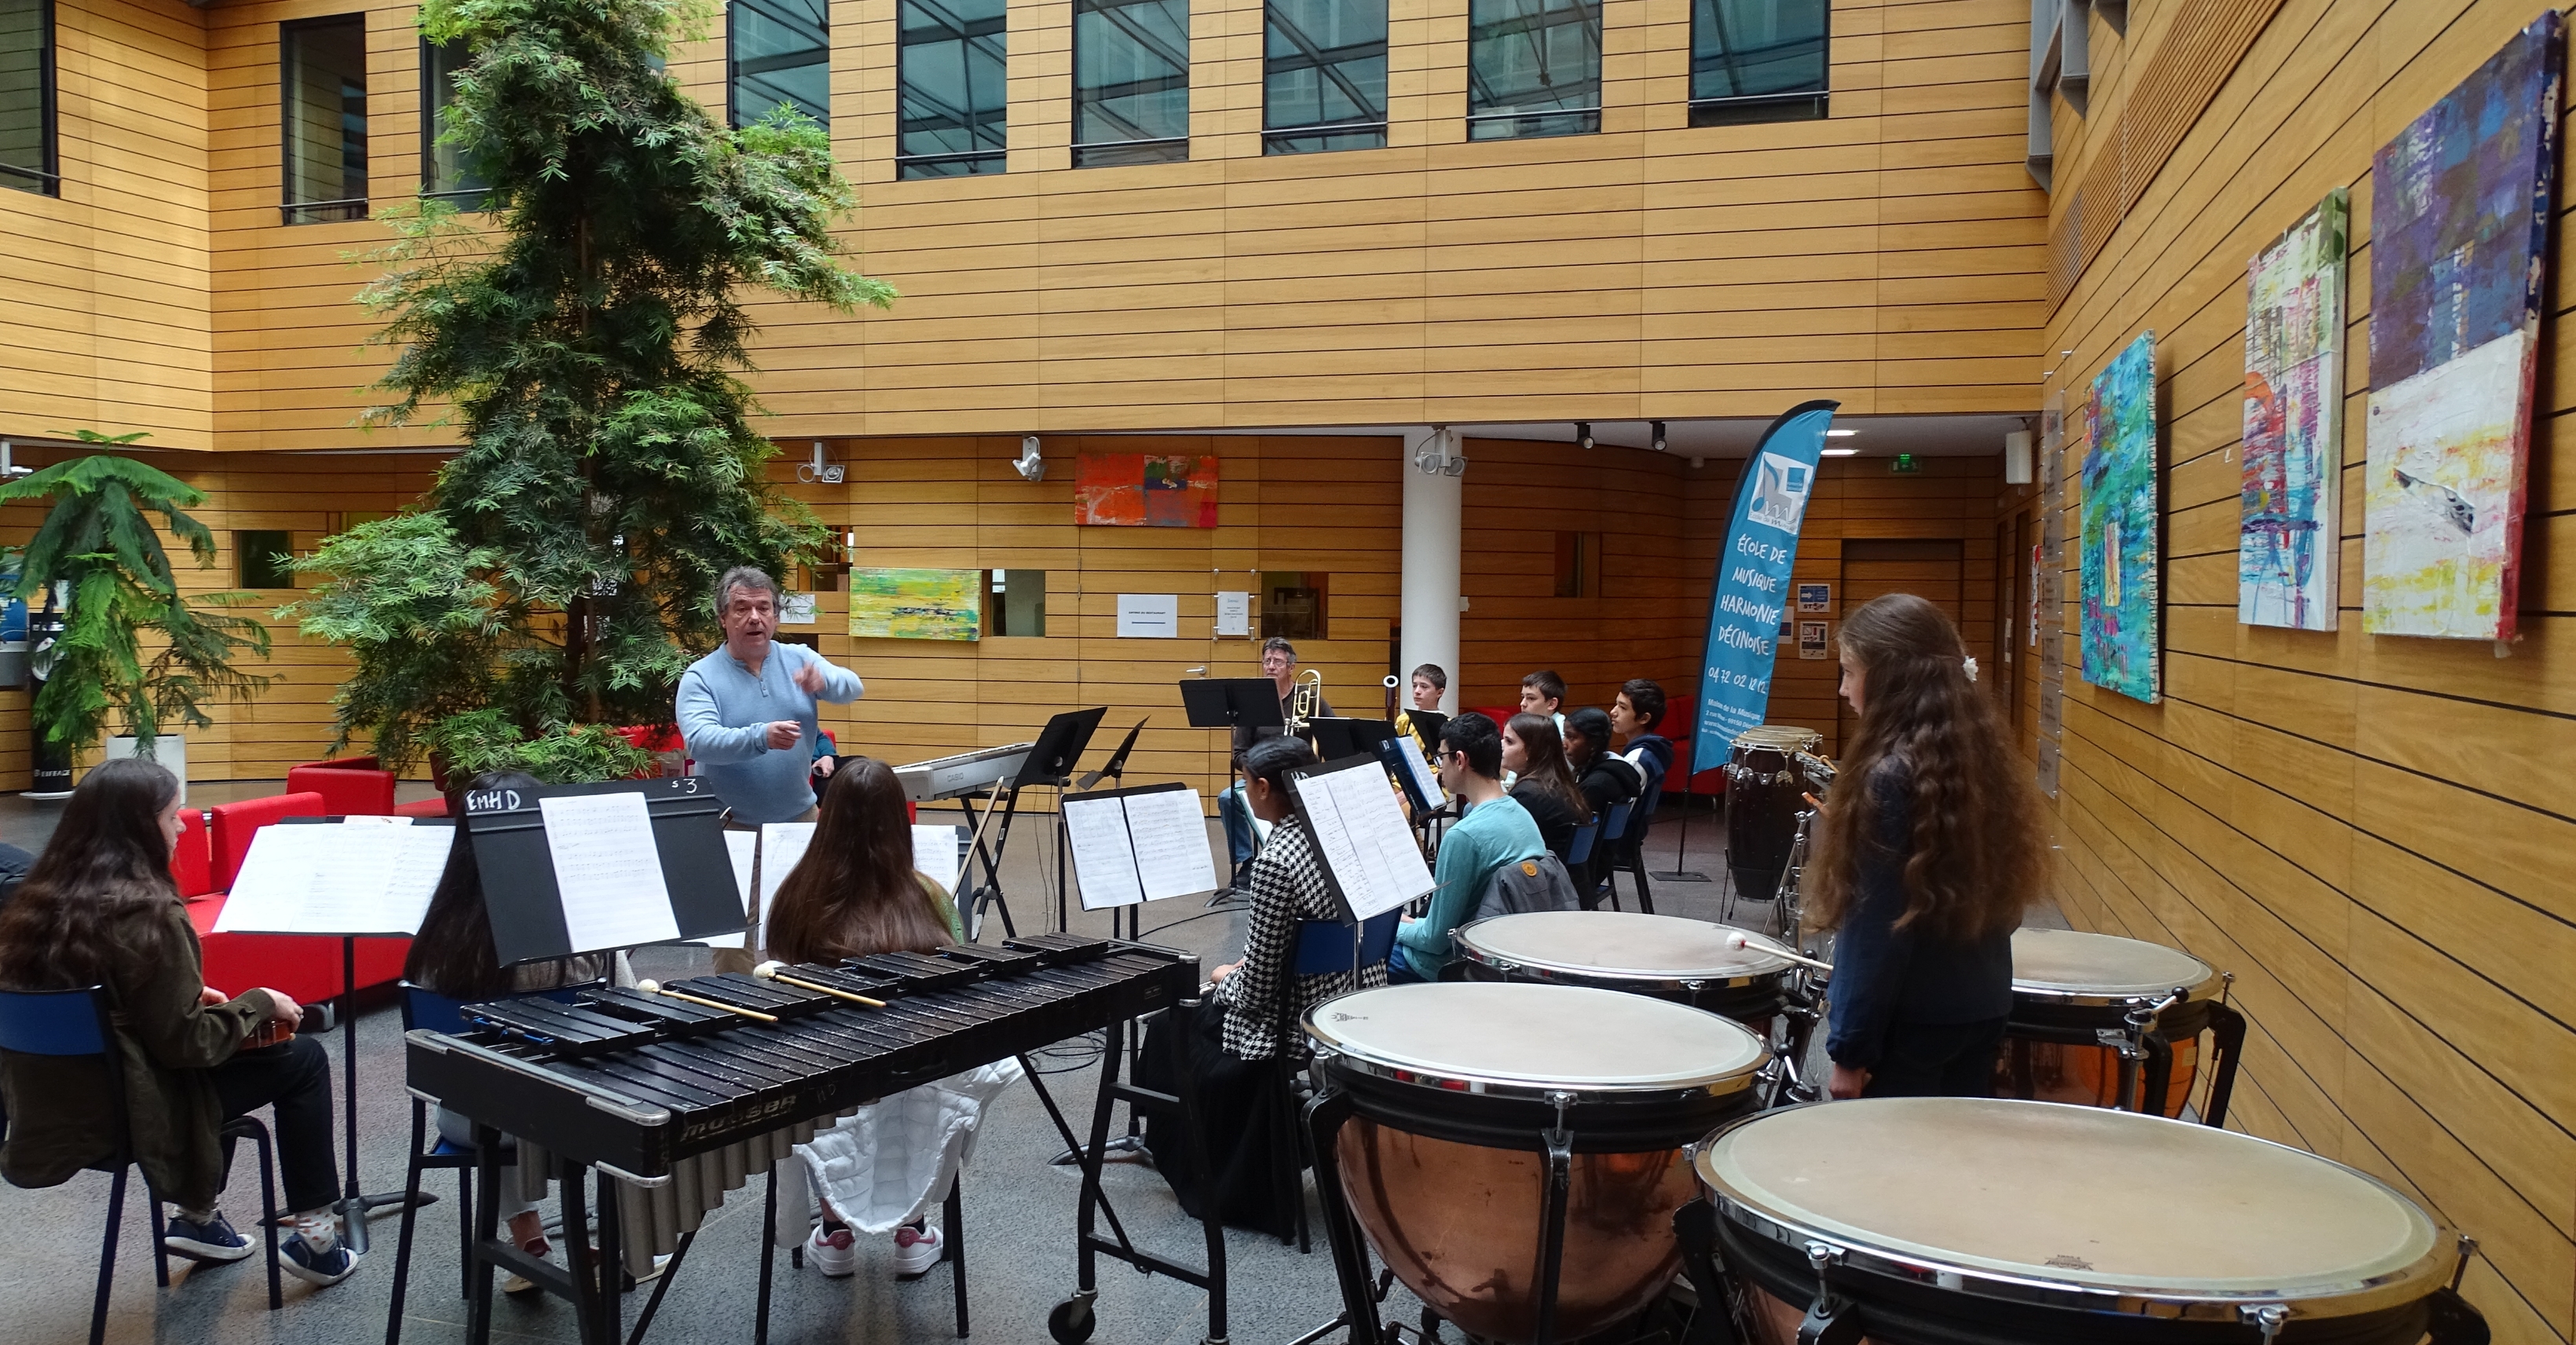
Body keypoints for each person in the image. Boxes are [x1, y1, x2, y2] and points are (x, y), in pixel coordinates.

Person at [0, 759, 356, 1285]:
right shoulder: (151, 913)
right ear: (142, 828)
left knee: (229, 1041)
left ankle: (202, 1222)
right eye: (172, 816)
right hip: (129, 1116)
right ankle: (316, 1240)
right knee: (298, 1057)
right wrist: (258, 1002)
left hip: (53, 1114)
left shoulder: (35, 904)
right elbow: (188, 1046)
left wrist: (184, 998)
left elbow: (99, 1006)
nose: (185, 825)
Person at [763, 757, 1003, 1283]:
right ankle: (912, 1230)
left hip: (826, 1088)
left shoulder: (793, 897)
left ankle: (834, 1232)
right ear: (901, 820)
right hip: (912, 1084)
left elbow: (775, 972)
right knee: (913, 1086)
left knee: (835, 1098)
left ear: (826, 817)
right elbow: (956, 981)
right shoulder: (930, 898)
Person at [1142, 736, 1386, 1236]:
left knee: (1169, 1026)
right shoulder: (1349, 836)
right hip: (1357, 1001)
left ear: (1265, 788)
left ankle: (1205, 1171)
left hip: (1294, 1022)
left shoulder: (1276, 860)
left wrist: (1222, 979)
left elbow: (1256, 992)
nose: (1245, 794)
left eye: (1248, 785)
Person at [1809, 594, 2041, 1100]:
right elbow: (2005, 905)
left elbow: (1875, 933)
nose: (1843, 689)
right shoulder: (1981, 761)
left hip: (1910, 1027)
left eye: (1850, 671)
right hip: (1981, 1007)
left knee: (1892, 1171)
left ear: (1891, 678)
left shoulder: (1890, 776)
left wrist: (1850, 1050)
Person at [404, 771, 616, 1293]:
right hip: (560, 1114)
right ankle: (632, 1244)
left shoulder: (436, 932)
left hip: (464, 1118)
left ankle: (527, 1238)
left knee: (490, 1075)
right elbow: (619, 1014)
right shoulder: (566, 932)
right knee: (630, 1089)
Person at [676, 565, 864, 969]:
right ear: (723, 618)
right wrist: (760, 736)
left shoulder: (798, 658)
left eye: (763, 608)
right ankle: (736, 1010)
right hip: (731, 824)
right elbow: (700, 740)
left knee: (814, 917)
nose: (754, 618)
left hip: (800, 816)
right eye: (741, 608)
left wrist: (825, 684)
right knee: (733, 935)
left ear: (776, 617)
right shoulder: (701, 677)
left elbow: (854, 687)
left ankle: (811, 1003)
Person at [1390, 715, 1543, 983]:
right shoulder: (1521, 814)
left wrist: (1390, 929)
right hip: (1500, 952)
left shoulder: (1463, 837)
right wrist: (1413, 924)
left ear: (1460, 760)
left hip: (1449, 964)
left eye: (1441, 758)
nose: (1439, 769)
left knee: (1353, 949)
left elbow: (1434, 941)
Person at [1220, 637, 1330, 881]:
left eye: (1278, 662)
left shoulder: (1312, 700)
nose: (1270, 666)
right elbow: (1239, 754)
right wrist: (1260, 769)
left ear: (1291, 668)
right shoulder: (1252, 703)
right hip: (1261, 779)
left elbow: (1331, 739)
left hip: (1299, 779)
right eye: (1267, 661)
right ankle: (1247, 862)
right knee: (1227, 798)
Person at [1563, 707, 1643, 892]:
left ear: (1593, 744)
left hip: (1583, 874)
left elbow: (1569, 831)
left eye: (1572, 737)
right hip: (1596, 865)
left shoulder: (1597, 786)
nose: (1564, 743)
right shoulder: (1609, 768)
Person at [1501, 713, 1590, 863]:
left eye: (1509, 741)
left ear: (1531, 751)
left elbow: (1503, 847)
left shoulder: (1530, 794)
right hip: (1564, 878)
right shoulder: (1553, 782)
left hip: (1549, 882)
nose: (1501, 744)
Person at [1392, 662, 1447, 753]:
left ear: (1439, 693)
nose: (1417, 691)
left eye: (1424, 687)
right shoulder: (1404, 720)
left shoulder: (1448, 725)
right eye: (1414, 686)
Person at [1518, 669, 1568, 735]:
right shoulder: (1531, 727)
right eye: (1523, 697)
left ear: (1551, 704)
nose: (1522, 704)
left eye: (1531, 698)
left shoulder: (1563, 732)